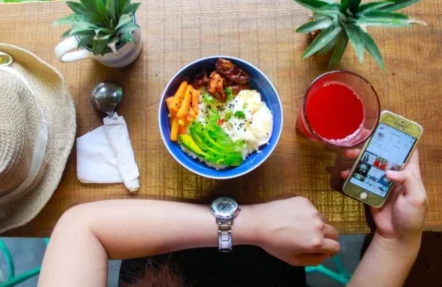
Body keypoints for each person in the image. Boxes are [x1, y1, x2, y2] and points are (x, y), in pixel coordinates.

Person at [38, 149, 427, 287]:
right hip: (278, 262)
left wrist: (253, 225)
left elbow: (80, 228)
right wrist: (396, 240)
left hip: (153, 239)